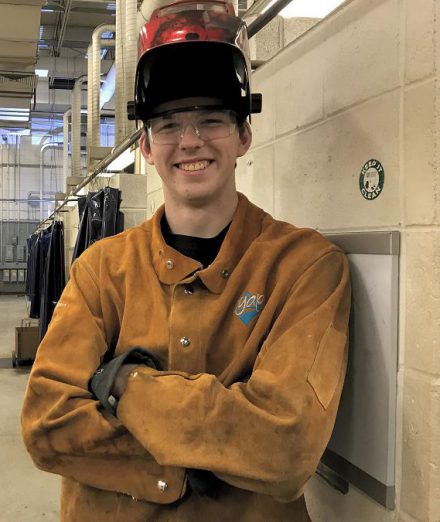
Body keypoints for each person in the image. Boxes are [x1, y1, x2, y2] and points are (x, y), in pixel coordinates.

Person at [21, 1, 351, 520]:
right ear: (147, 146)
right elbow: (47, 424)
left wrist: (124, 383)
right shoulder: (101, 270)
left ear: (244, 134)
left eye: (212, 118)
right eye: (169, 122)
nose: (190, 140)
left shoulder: (306, 268)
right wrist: (204, 456)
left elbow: (284, 449)